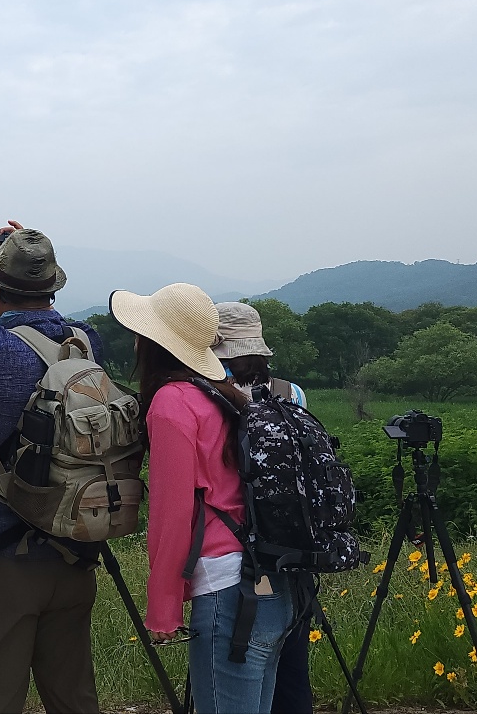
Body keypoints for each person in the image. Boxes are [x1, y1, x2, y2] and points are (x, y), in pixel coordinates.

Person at [0, 225, 104, 714]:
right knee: (73, 695)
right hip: (77, 550)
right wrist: (32, 246)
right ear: (53, 284)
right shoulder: (87, 341)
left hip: (4, 554)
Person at [111, 284, 296, 714]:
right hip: (270, 585)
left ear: (154, 344)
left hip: (226, 593)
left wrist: (162, 608)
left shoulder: (172, 404)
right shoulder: (223, 397)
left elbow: (172, 516)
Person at [212, 301, 316, 714]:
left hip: (238, 543)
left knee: (231, 663)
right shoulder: (291, 393)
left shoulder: (212, 396)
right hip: (294, 545)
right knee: (290, 663)